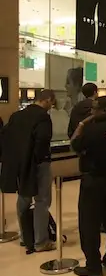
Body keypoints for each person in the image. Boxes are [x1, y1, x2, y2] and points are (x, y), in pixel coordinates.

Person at [70, 96, 106, 276]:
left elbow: (75, 145)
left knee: (89, 224)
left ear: (104, 110)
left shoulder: (92, 129)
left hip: (94, 182)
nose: (92, 111)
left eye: (95, 108)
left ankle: (93, 265)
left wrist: (81, 125)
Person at [0, 90, 55, 252]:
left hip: (20, 163)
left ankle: (25, 237)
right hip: (38, 164)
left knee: (23, 197)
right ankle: (40, 241)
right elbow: (42, 140)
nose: (51, 106)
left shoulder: (16, 116)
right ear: (47, 100)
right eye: (51, 103)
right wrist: (39, 158)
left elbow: (6, 137)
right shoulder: (43, 117)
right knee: (42, 200)